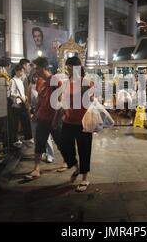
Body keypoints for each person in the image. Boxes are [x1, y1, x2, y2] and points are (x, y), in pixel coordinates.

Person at [23, 57, 61, 180]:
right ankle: (36, 169)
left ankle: (72, 164)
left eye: (37, 68)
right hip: (43, 119)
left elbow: (59, 102)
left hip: (53, 119)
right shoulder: (40, 81)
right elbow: (40, 99)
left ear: (44, 68)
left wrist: (55, 120)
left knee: (61, 144)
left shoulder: (54, 81)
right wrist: (36, 114)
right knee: (39, 143)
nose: (35, 70)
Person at [60, 56, 94, 192]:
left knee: (84, 149)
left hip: (83, 121)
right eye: (67, 67)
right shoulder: (66, 82)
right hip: (68, 120)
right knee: (64, 146)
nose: (67, 69)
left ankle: (85, 178)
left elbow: (91, 99)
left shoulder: (86, 81)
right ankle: (75, 166)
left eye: (70, 67)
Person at [9, 64, 31, 147]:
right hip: (17, 104)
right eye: (21, 71)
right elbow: (11, 93)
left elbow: (21, 91)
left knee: (25, 120)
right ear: (16, 71)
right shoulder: (13, 80)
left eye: (22, 71)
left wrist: (24, 96)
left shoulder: (20, 80)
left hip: (22, 102)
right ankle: (14, 139)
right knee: (15, 123)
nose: (22, 73)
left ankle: (28, 137)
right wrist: (19, 97)